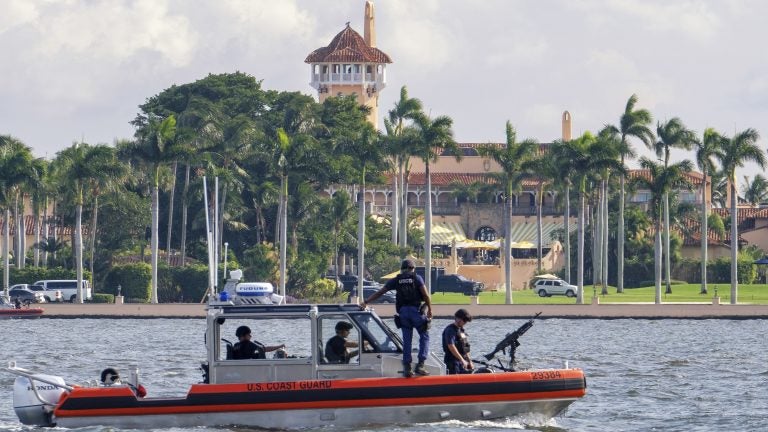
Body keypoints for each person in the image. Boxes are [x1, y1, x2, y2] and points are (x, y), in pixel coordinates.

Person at [362, 259, 432, 377]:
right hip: (416, 311)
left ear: (402, 269)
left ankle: (407, 368)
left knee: (407, 340)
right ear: (412, 268)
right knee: (424, 336)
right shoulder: (417, 278)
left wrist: (366, 301)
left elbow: (380, 292)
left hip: (403, 313)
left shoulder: (396, 280)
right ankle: (420, 365)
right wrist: (430, 309)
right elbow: (425, 295)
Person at [442, 308, 474, 374]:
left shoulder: (461, 331)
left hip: (463, 362)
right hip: (452, 362)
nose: (465, 323)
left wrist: (469, 360)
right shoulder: (450, 330)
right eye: (464, 320)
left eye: (466, 321)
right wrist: (462, 360)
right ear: (457, 318)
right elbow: (451, 346)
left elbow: (465, 347)